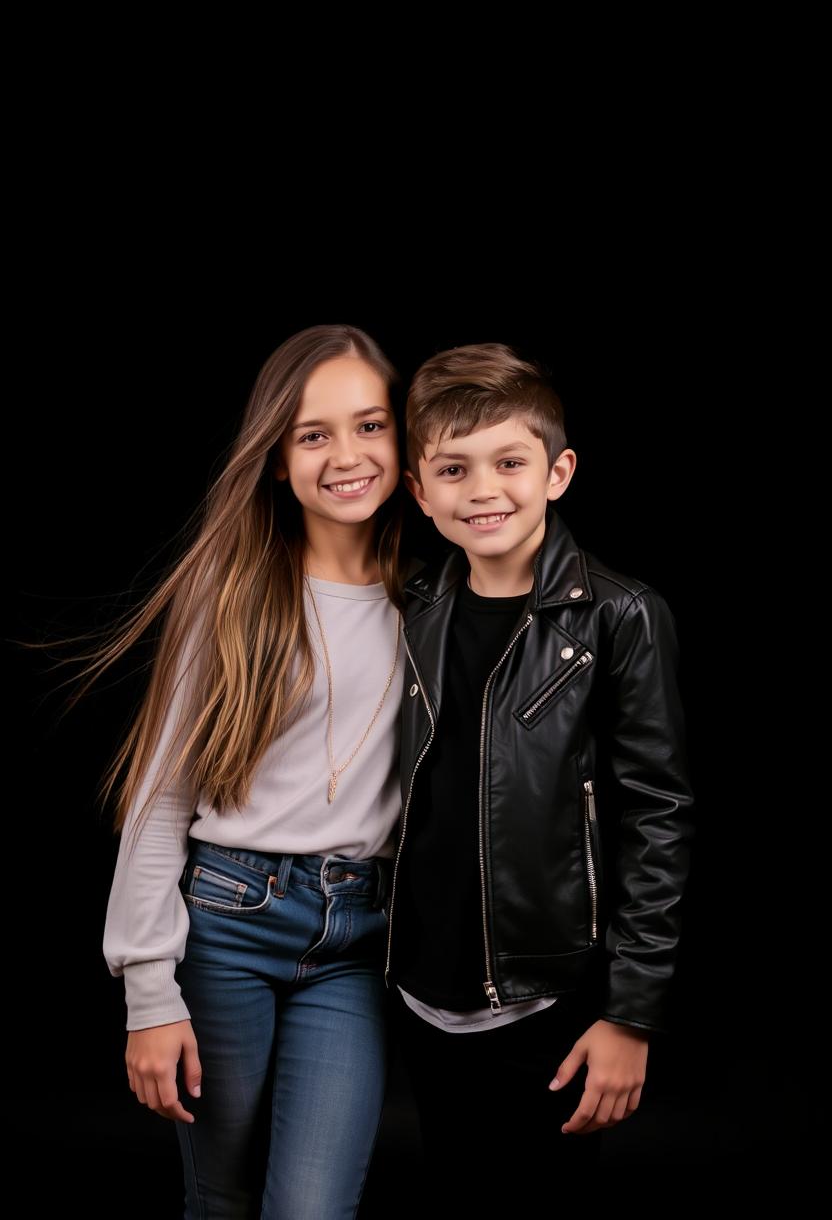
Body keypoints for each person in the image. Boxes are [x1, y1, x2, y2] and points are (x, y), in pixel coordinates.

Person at [96, 325, 411, 1217]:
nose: (346, 456)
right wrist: (147, 994)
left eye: (370, 425)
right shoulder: (235, 595)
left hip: (356, 939)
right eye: (314, 435)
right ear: (276, 460)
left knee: (312, 1208)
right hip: (230, 925)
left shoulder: (430, 599)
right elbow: (159, 797)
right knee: (224, 1198)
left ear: (405, 437)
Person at [385, 343, 696, 1211]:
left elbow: (657, 815)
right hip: (422, 992)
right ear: (420, 490)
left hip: (549, 993)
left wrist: (631, 1014)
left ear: (557, 472)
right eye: (453, 468)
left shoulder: (619, 613)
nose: (482, 488)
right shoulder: (415, 605)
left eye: (510, 461)